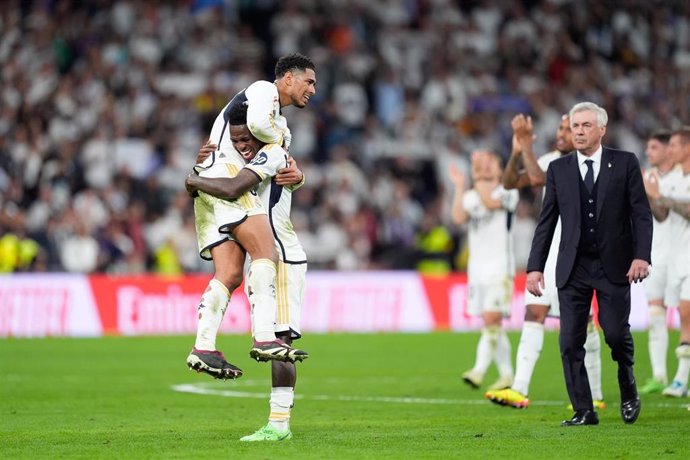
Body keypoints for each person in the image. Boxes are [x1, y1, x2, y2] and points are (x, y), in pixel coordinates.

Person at [185, 53, 316, 380]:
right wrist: (281, 152)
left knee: (229, 274)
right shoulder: (261, 92)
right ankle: (263, 337)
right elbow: (258, 128)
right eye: (309, 81)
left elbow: (280, 173)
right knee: (266, 253)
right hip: (227, 180)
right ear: (288, 78)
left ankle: (203, 347)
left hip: (209, 185)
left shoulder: (278, 124)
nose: (313, 89)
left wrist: (295, 173)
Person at [187, 101, 308, 442]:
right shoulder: (241, 157)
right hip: (262, 251)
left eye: (246, 140)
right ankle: (205, 345)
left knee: (281, 338)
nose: (241, 146)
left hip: (283, 254)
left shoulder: (271, 152)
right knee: (229, 275)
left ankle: (279, 423)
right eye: (235, 141)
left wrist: (194, 179)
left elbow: (233, 188)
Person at [526, 102, 652, 427]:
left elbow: (640, 213)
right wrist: (534, 267)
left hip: (615, 265)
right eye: (574, 127)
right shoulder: (558, 169)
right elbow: (547, 221)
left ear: (601, 129)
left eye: (584, 126)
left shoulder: (624, 163)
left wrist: (642, 256)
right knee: (569, 340)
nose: (578, 132)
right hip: (573, 266)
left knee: (614, 333)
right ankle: (583, 409)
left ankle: (627, 381)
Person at [485, 114, 605, 409]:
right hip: (550, 251)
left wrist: (526, 144)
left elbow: (540, 178)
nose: (562, 133)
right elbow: (511, 181)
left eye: (569, 128)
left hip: (578, 252)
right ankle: (519, 389)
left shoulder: (588, 163)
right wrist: (517, 151)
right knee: (533, 312)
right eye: (562, 128)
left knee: (583, 323)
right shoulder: (553, 158)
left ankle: (596, 394)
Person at [451, 150, 519, 392]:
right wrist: (460, 186)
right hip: (477, 270)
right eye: (483, 163)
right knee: (491, 323)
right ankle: (507, 375)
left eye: (491, 163)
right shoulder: (471, 195)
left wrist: (477, 180)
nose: (486, 167)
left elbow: (491, 204)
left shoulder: (509, 192)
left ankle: (478, 371)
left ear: (501, 170)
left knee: (491, 318)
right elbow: (458, 217)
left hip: (500, 269)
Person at [642, 126, 690, 398]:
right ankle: (670, 378)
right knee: (679, 315)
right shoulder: (672, 180)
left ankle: (681, 379)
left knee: (685, 314)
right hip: (673, 259)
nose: (670, 150)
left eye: (674, 145)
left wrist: (660, 196)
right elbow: (661, 215)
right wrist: (649, 193)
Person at [638, 130, 676, 394]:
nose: (649, 153)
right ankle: (659, 374)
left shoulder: (679, 178)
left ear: (667, 150)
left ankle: (682, 376)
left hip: (680, 255)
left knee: (685, 315)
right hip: (655, 254)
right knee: (656, 315)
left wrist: (651, 192)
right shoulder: (647, 178)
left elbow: (662, 214)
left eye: (653, 148)